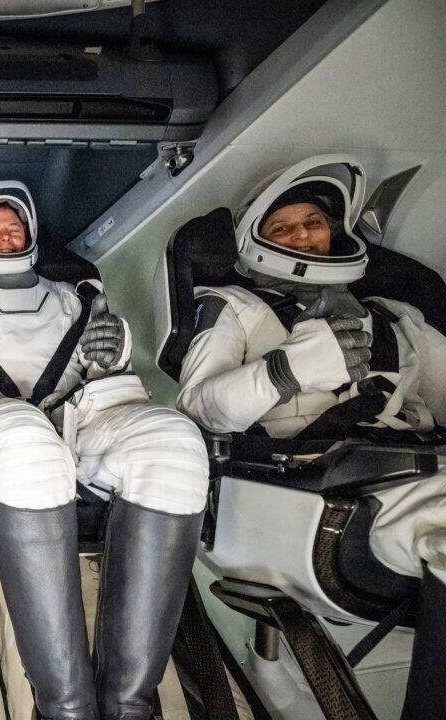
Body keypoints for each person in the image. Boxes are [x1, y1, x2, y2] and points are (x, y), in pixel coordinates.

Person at [0, 181, 209, 720]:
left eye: (13, 228)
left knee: (174, 441)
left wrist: (113, 353)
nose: (5, 237)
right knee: (28, 438)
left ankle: (128, 704)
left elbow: (100, 373)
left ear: (31, 236)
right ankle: (64, 707)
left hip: (77, 423)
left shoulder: (74, 298)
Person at [176, 155, 446, 719]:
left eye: (313, 223)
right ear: (255, 241)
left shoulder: (395, 318)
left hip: (416, 466)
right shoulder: (233, 307)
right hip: (317, 489)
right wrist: (285, 370)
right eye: (283, 227)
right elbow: (200, 406)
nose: (302, 235)